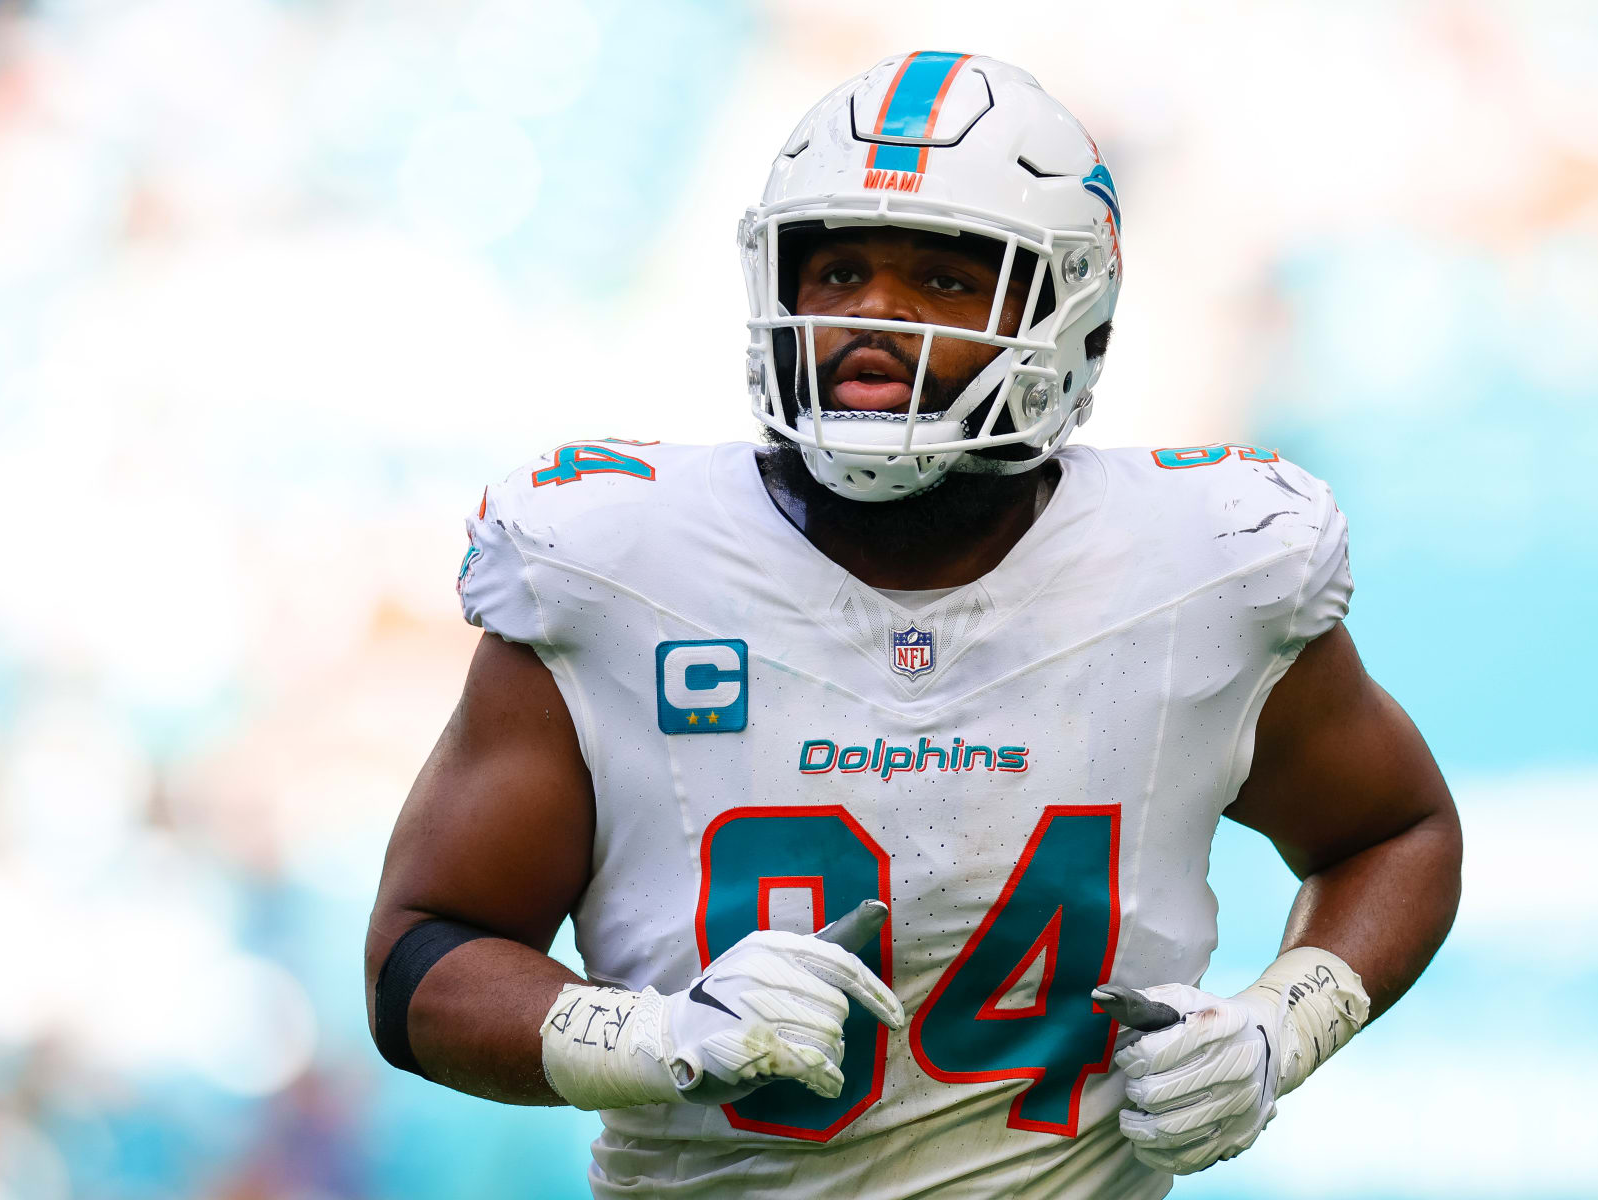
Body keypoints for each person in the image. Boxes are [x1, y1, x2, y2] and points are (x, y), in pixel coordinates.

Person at [364, 51, 1462, 1199]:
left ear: (1065, 308)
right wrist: (650, 1038)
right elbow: (421, 960)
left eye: (942, 279)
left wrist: (1280, 1031)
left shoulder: (1207, 564)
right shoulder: (614, 564)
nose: (873, 320)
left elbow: (1396, 834)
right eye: (838, 270)